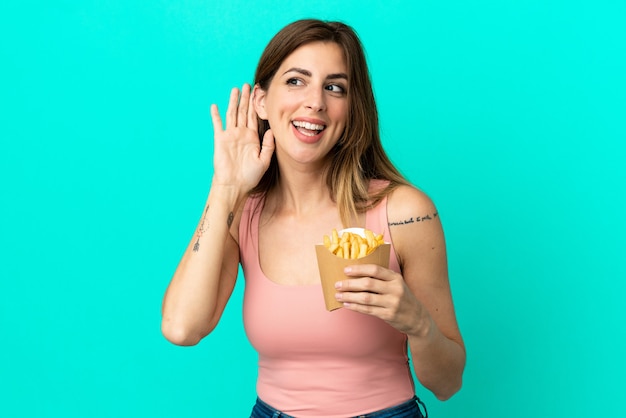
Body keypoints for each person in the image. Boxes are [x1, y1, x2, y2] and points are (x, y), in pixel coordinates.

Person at [161, 19, 465, 418]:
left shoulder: (405, 213)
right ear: (261, 102)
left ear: (351, 107)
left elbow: (447, 384)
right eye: (295, 81)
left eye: (334, 87)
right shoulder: (243, 213)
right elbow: (182, 328)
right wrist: (225, 188)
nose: (315, 102)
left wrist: (418, 324)